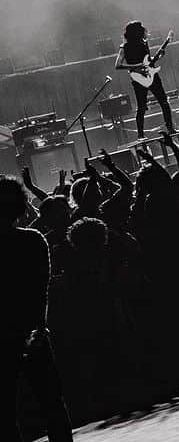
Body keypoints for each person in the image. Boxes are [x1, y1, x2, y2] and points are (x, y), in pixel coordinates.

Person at [1, 176, 73, 442]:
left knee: (6, 413)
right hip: (33, 329)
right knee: (52, 404)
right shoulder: (34, 241)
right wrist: (39, 326)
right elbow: (41, 290)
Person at [114, 20, 174, 138]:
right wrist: (136, 66)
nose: (144, 30)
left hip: (151, 74)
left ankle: (170, 128)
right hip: (138, 78)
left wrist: (158, 57)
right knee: (141, 107)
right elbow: (118, 65)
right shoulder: (124, 47)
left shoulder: (144, 43)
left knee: (164, 102)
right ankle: (141, 135)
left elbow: (148, 60)